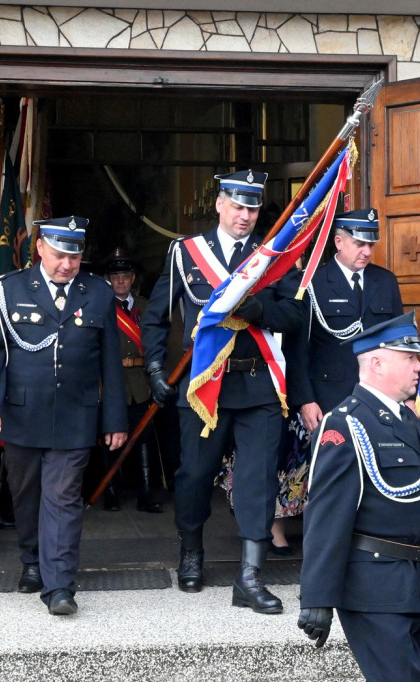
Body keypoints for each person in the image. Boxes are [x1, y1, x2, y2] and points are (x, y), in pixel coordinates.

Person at [141, 169, 302, 613]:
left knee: (258, 480)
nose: (245, 215)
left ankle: (249, 576)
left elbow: (295, 316)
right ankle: (191, 551)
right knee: (194, 475)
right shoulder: (185, 253)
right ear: (218, 204)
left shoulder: (273, 257)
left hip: (259, 383)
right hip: (203, 386)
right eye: (237, 206)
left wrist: (259, 309)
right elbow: (156, 317)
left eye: (252, 207)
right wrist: (155, 367)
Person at [0, 215, 128, 616]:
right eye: (60, 255)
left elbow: (110, 362)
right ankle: (31, 561)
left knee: (63, 497)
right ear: (40, 247)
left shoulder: (98, 293)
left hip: (76, 415)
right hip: (22, 415)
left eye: (74, 257)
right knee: (26, 496)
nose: (67, 265)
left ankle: (59, 585)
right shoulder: (8, 290)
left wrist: (114, 419)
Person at [298, 312, 420, 682]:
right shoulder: (344, 424)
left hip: (417, 585)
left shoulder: (410, 420)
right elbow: (326, 515)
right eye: (410, 358)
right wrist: (317, 597)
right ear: (376, 362)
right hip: (373, 587)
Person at [289, 208, 403, 432]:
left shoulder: (386, 281)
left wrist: (406, 395)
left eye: (371, 245)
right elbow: (297, 349)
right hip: (329, 397)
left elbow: (398, 342)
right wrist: (305, 400)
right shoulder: (313, 282)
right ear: (339, 242)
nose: (367, 251)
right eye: (360, 244)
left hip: (380, 395)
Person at [96, 247, 164, 513]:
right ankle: (109, 490)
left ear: (133, 278)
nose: (120, 281)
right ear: (108, 280)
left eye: (125, 275)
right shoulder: (101, 308)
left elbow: (158, 344)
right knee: (109, 438)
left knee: (144, 436)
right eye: (115, 276)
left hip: (140, 381)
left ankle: (146, 491)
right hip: (111, 382)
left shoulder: (147, 307)